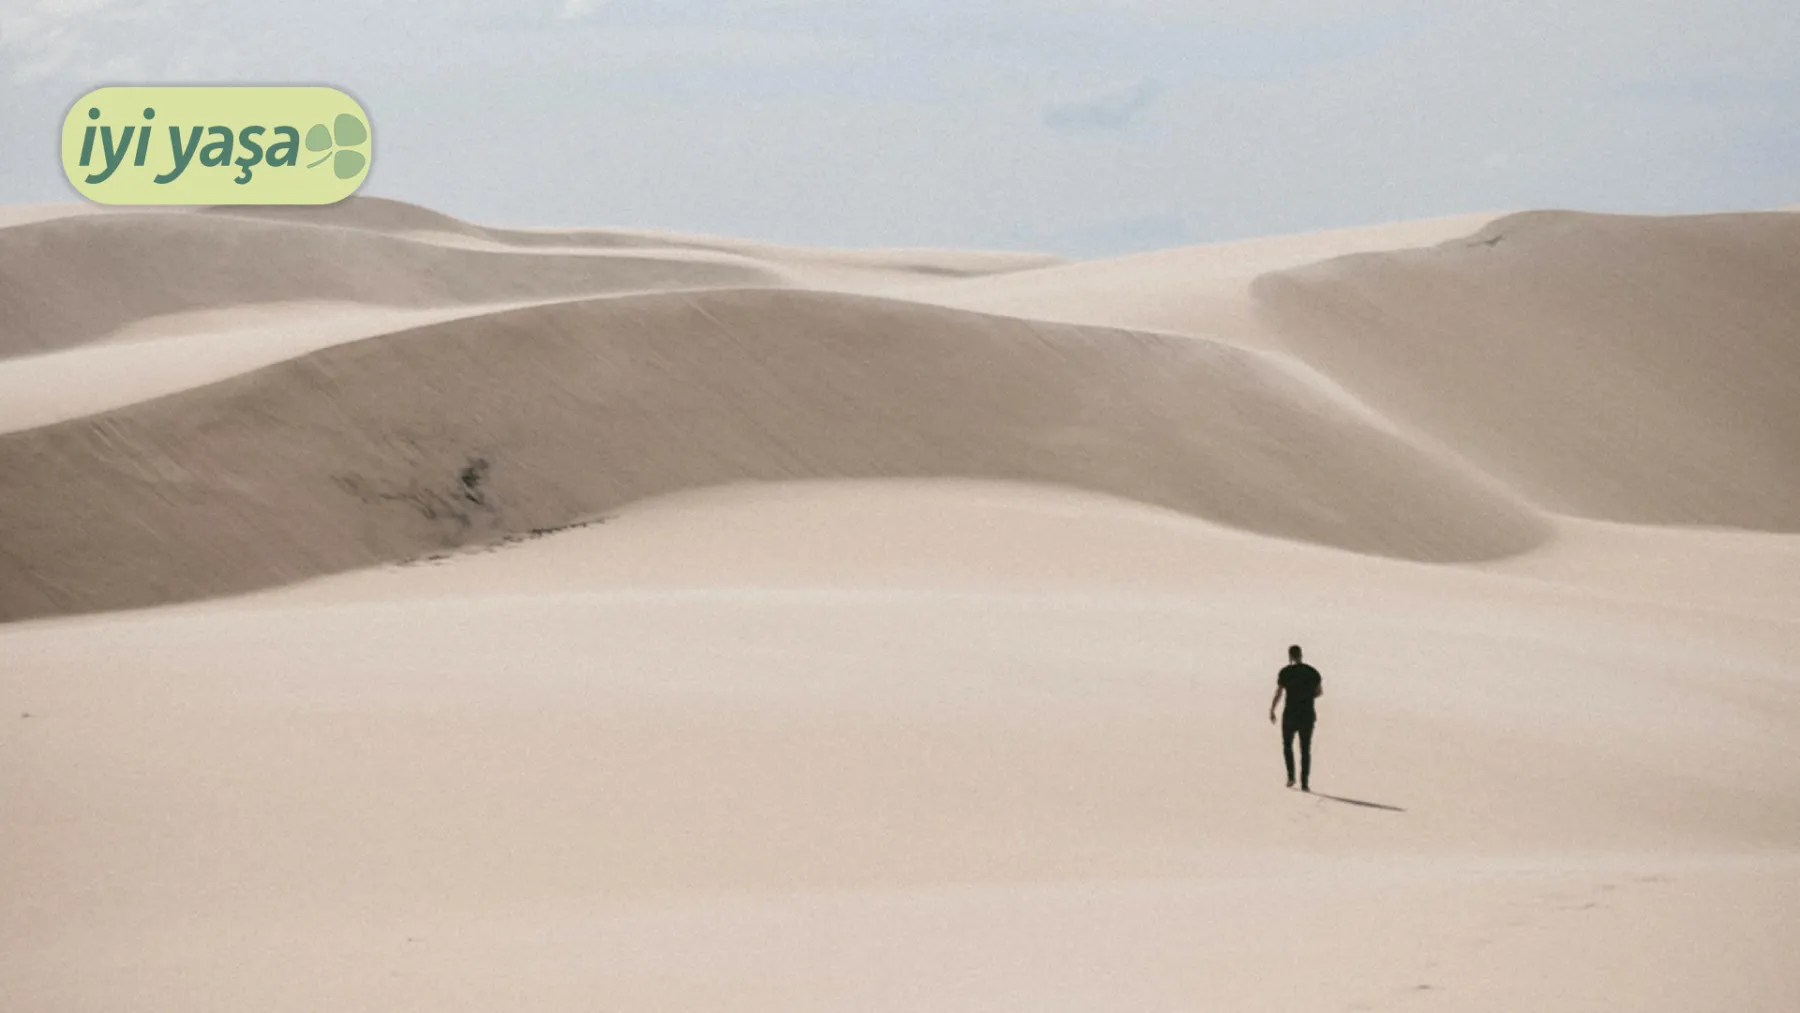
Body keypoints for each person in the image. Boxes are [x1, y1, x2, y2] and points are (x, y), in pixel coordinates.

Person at [1268, 644, 1323, 791]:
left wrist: (1272, 709)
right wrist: (1307, 697)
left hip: (1290, 714)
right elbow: (1319, 692)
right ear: (1301, 655)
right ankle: (1305, 783)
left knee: (1287, 745)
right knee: (1305, 748)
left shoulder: (1285, 672)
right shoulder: (1312, 672)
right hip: (1307, 714)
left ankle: (1291, 776)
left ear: (1290, 656)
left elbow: (1279, 692)